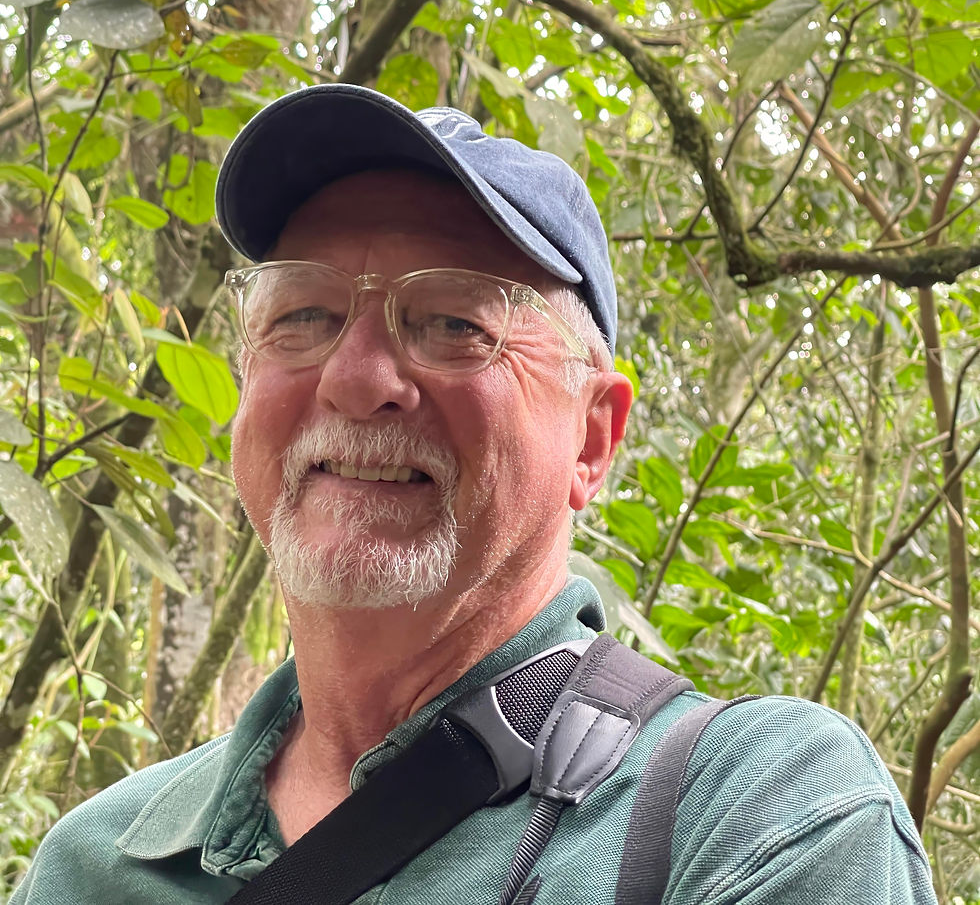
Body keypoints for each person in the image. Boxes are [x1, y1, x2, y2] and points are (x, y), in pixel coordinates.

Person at [13, 84, 937, 904]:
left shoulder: (760, 813)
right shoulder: (95, 865)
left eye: (454, 321)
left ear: (593, 437)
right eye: (303, 314)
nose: (356, 376)